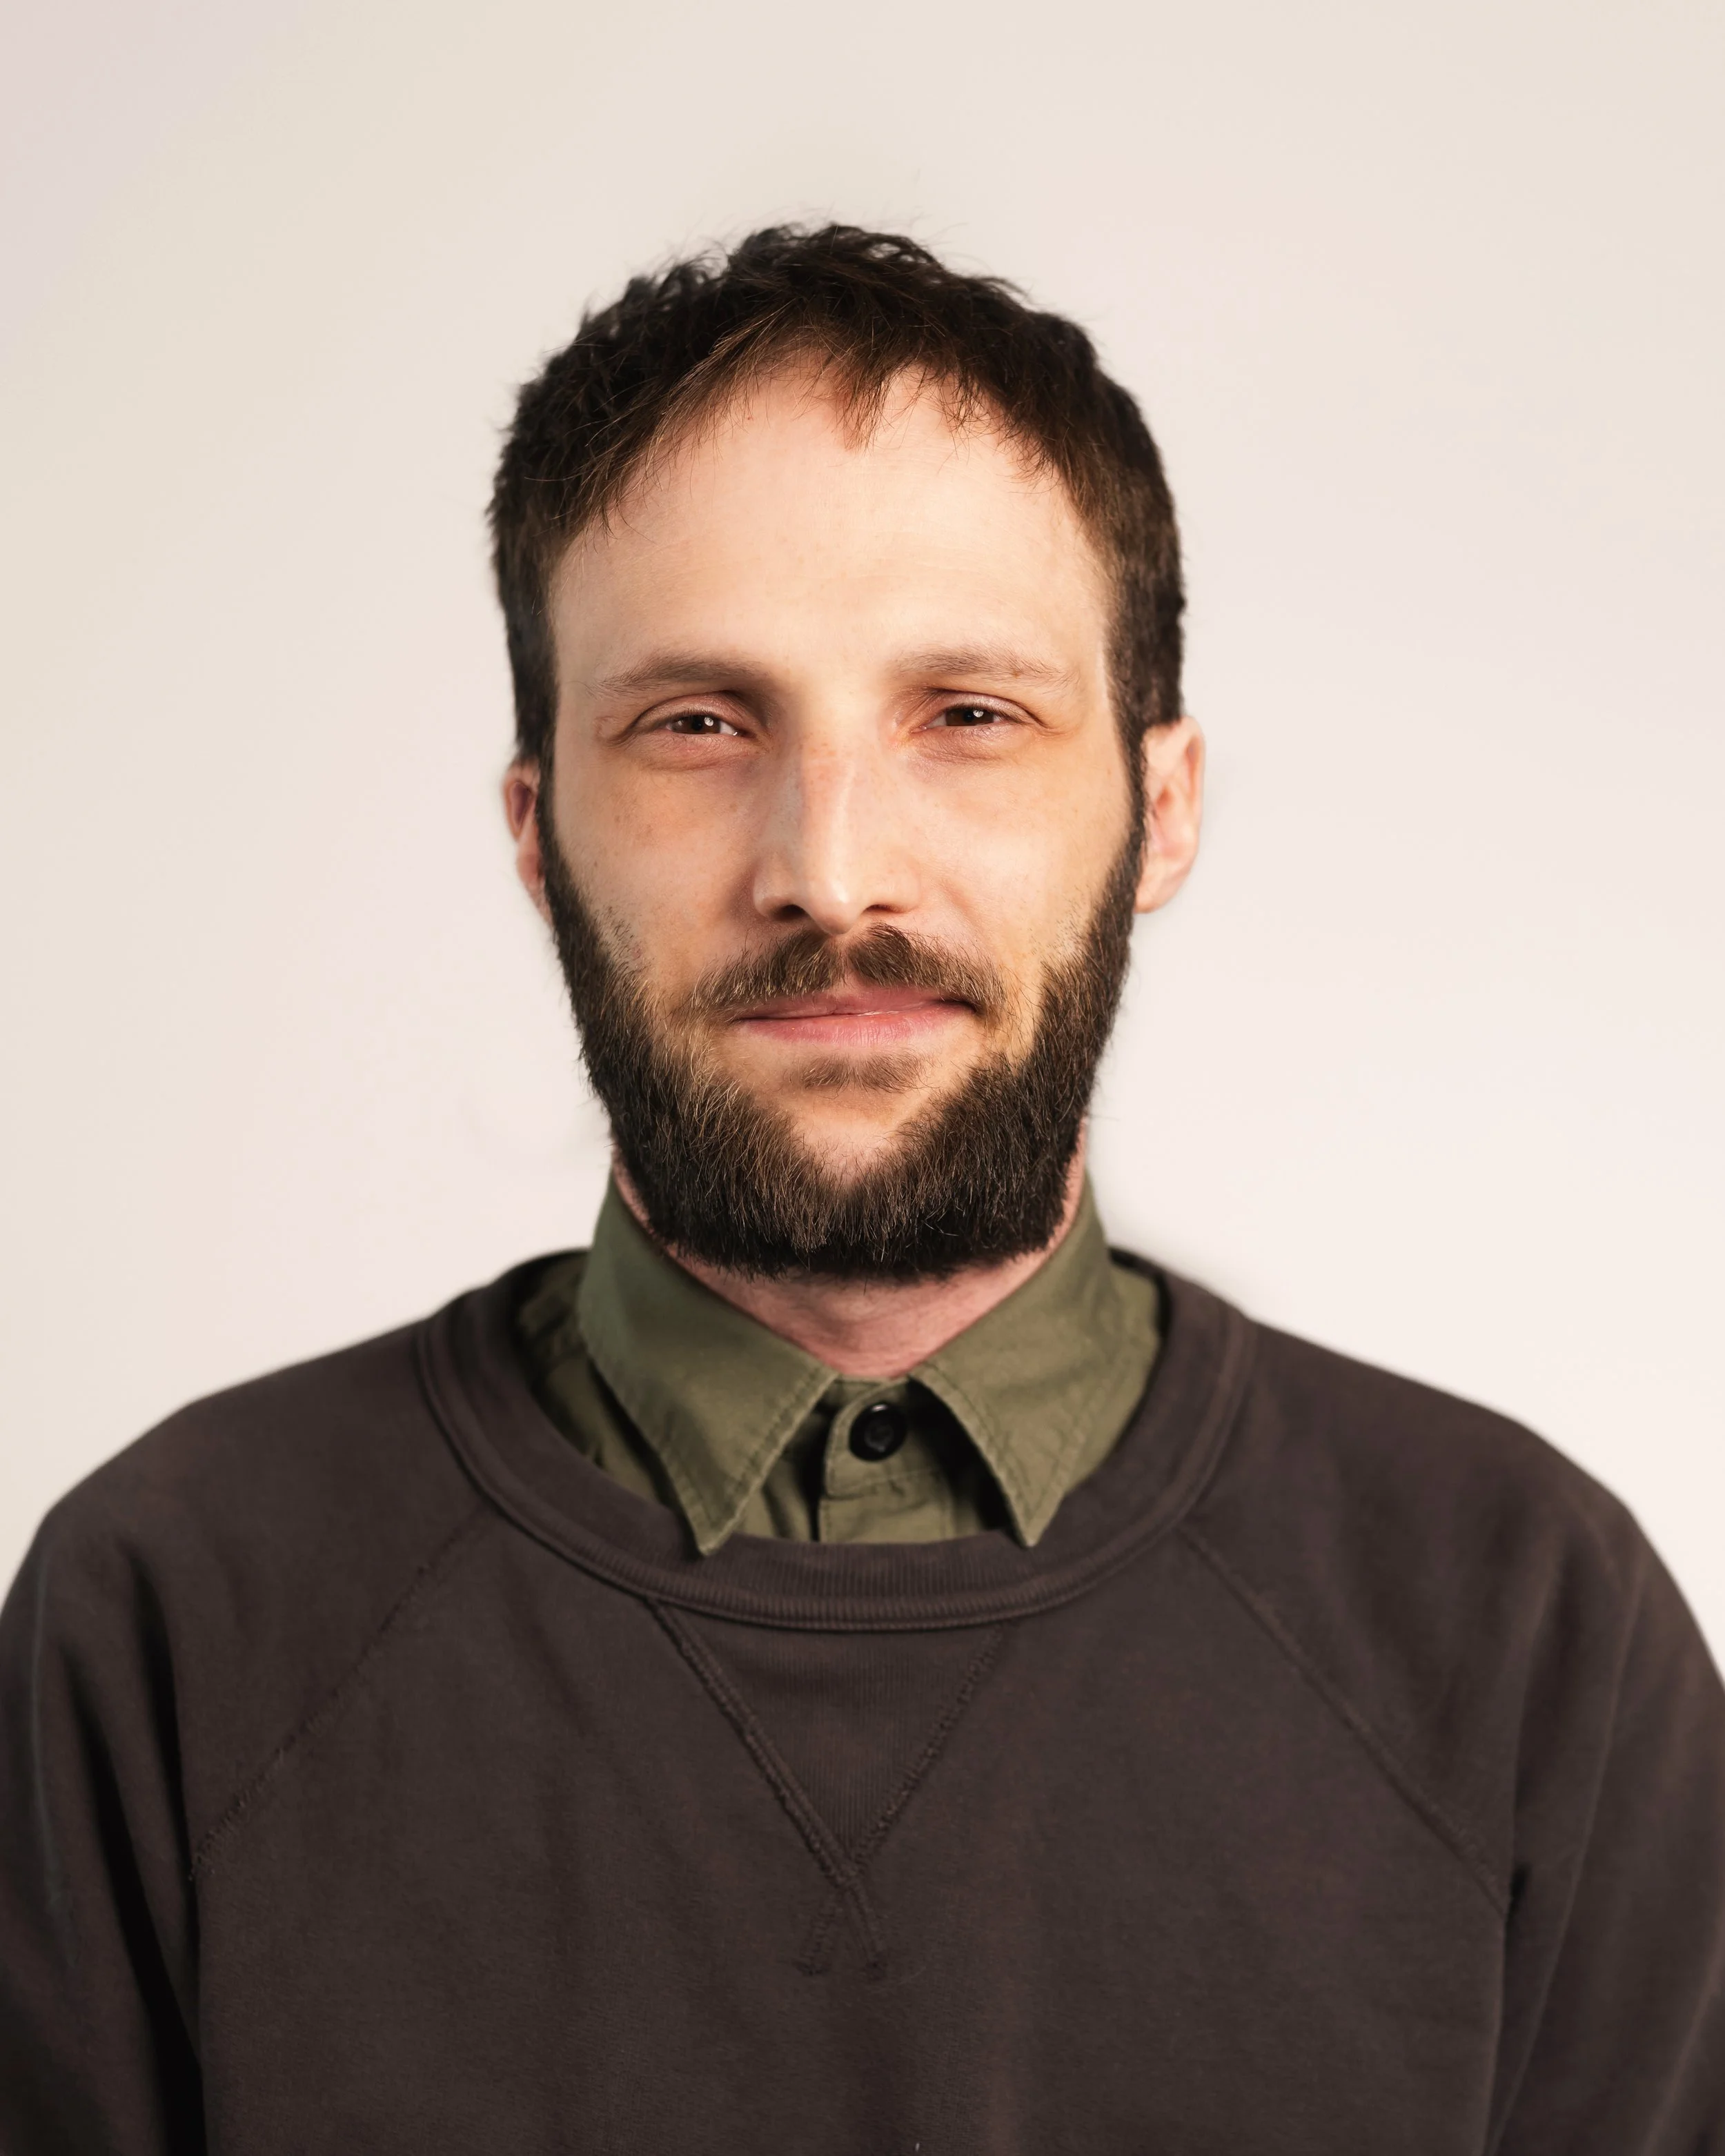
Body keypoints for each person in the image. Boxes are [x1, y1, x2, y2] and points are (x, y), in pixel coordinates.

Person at [1, 225, 1719, 2154]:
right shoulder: (164, 1618)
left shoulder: (1526, 1637)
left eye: (966, 715)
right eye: (699, 723)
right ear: (535, 830)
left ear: (1158, 810)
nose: (831, 870)